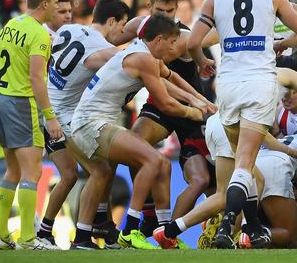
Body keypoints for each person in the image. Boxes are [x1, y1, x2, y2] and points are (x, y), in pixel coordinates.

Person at [187, 0, 297, 249]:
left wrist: (202, 61)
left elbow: (193, 42)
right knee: (245, 164)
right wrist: (281, 44)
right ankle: (227, 227)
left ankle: (254, 228)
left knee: (246, 163)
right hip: (260, 83)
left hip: (227, 86)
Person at [152, 58, 297, 249]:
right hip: (233, 128)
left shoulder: (245, 72)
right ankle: (196, 230)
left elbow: (259, 132)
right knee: (229, 193)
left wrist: (292, 151)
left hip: (216, 123)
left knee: (253, 182)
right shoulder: (283, 76)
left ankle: (237, 229)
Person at [68, 13, 212, 250]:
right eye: (172, 42)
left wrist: (199, 100)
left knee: (163, 165)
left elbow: (171, 77)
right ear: (157, 40)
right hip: (89, 125)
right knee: (153, 160)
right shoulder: (143, 59)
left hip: (97, 122)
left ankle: (166, 235)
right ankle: (130, 229)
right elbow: (165, 103)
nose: (175, 47)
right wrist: (193, 112)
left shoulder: (145, 54)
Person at [114, 0, 216, 238]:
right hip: (162, 104)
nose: (166, 17)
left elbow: (159, 71)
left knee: (205, 182)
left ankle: (174, 234)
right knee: (133, 147)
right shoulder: (141, 25)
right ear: (149, 8)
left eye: (170, 11)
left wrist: (201, 62)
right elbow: (110, 38)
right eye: (160, 10)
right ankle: (151, 220)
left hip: (191, 109)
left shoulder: (179, 36)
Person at [45, 0, 130, 249]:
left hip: (50, 109)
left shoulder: (68, 29)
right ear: (112, 20)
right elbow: (126, 58)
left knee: (74, 174)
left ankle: (48, 230)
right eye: (122, 26)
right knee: (100, 170)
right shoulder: (101, 47)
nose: (122, 32)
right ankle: (83, 236)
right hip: (62, 117)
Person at [0, 0, 63, 250]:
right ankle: (27, 239)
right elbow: (36, 78)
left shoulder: (12, 24)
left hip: (0, 100)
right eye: (56, 3)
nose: (57, 8)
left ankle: (0, 235)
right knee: (32, 172)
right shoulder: (39, 34)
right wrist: (50, 116)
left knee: (12, 169)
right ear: (45, 3)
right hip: (21, 104)